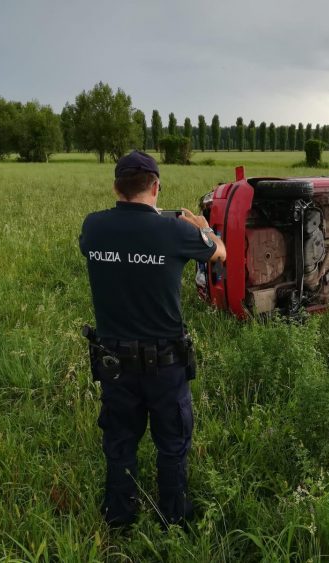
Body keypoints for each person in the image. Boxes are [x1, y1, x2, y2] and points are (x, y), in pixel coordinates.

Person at [79, 150, 226, 529]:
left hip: (113, 363)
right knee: (172, 444)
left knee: (120, 443)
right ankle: (173, 517)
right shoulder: (176, 231)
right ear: (156, 187)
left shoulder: (93, 227)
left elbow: (122, 238)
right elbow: (219, 252)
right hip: (166, 363)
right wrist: (202, 225)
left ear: (116, 186)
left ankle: (119, 517)